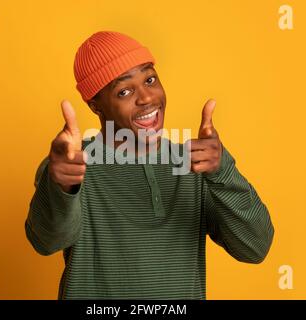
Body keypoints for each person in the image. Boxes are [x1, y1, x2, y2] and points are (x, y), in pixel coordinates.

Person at [25, 31, 275, 299]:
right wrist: (62, 186)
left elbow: (255, 248)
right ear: (95, 106)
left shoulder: (196, 164)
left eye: (150, 79)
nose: (146, 98)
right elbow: (46, 241)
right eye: (124, 91)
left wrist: (223, 171)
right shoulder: (72, 167)